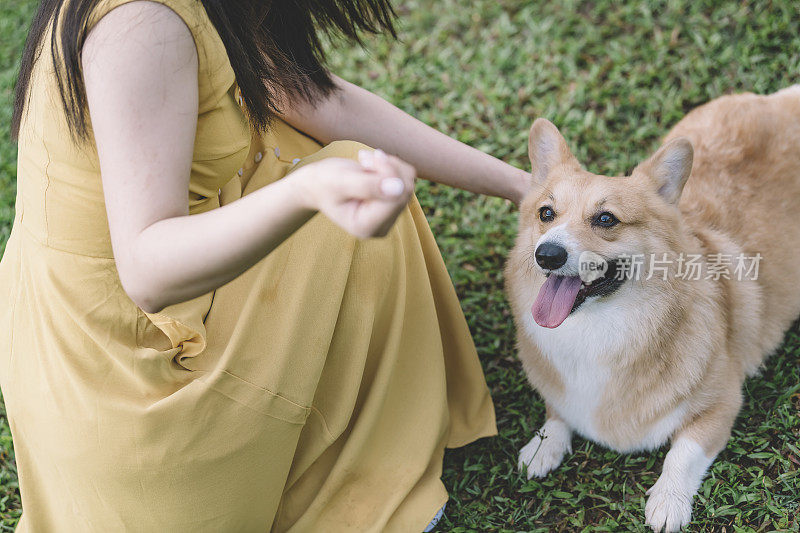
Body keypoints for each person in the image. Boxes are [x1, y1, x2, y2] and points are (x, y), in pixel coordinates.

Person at [0, 0, 528, 530]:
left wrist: (522, 188)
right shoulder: (143, 28)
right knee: (333, 170)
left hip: (86, 336)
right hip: (130, 392)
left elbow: (314, 99)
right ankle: (339, 478)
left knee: (285, 135)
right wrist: (308, 191)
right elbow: (147, 272)